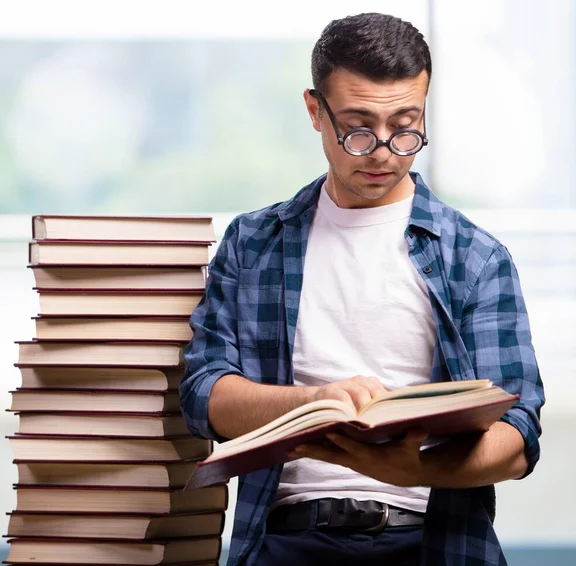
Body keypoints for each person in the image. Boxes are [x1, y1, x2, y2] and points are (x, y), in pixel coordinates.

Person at [180, 12, 544, 566]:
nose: (382, 151)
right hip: (286, 541)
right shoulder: (253, 243)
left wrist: (416, 468)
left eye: (406, 126)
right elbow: (203, 393)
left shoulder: (475, 256)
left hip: (432, 542)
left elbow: (518, 437)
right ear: (314, 111)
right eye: (358, 127)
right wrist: (310, 404)